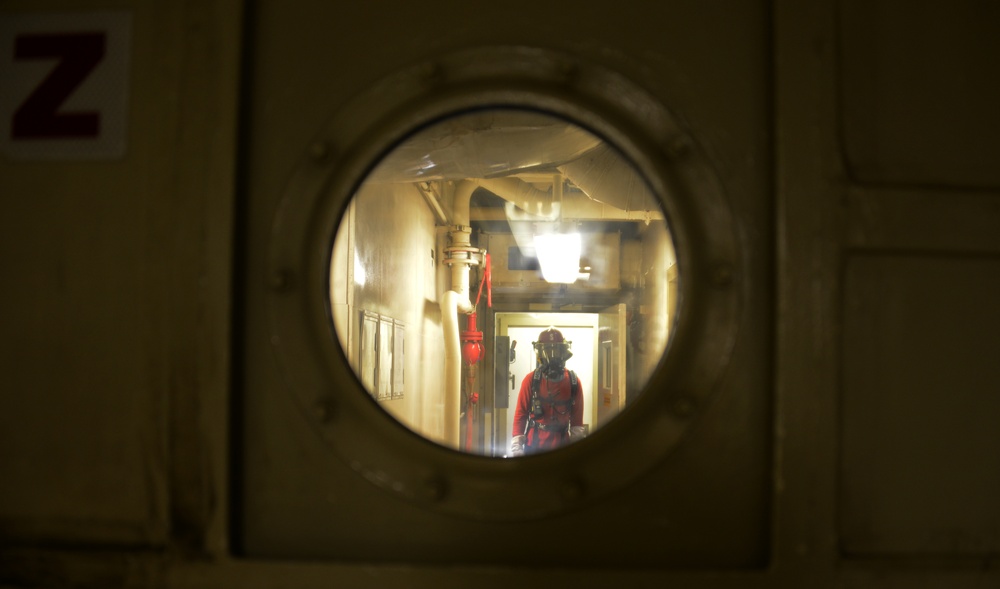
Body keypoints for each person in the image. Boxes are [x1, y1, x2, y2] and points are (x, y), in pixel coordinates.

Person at [509, 328, 587, 456]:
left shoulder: (573, 382)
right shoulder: (531, 380)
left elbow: (577, 422)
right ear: (540, 352)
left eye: (555, 350)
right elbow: (521, 414)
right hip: (534, 445)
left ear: (563, 351)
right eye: (547, 350)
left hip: (562, 446)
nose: (552, 356)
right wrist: (517, 448)